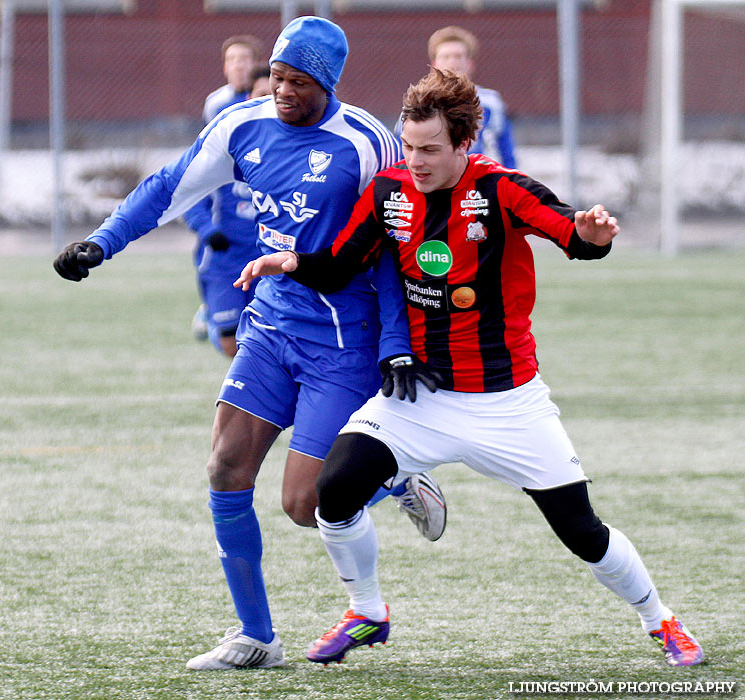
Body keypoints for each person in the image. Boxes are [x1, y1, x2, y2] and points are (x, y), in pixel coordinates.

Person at [235, 68, 704, 668]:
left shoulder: (504, 189)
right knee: (334, 490)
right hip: (422, 398)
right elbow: (341, 265)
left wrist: (593, 235)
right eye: (409, 146)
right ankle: (367, 612)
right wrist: (290, 261)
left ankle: (660, 620)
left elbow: (571, 232)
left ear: (464, 144)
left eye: (430, 149)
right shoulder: (388, 191)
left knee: (581, 529)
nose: (416, 161)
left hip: (509, 403)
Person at [53, 16, 445, 671]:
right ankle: (256, 636)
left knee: (305, 504)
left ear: (328, 82)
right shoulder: (243, 124)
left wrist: (396, 345)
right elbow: (168, 188)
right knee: (225, 467)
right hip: (268, 327)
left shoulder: (367, 144)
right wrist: (102, 242)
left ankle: (394, 476)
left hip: (342, 344)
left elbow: (394, 254)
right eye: (279, 77)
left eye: (300, 82)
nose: (284, 91)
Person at [186, 35, 265, 355]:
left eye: (244, 58)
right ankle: (210, 308)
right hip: (225, 258)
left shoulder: (286, 147)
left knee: (262, 339)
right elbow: (191, 197)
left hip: (266, 257)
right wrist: (210, 232)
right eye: (232, 59)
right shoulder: (219, 119)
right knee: (232, 342)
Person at [396, 25, 516, 168]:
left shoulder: (490, 103)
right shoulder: (416, 102)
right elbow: (400, 150)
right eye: (446, 56)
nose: (452, 62)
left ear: (470, 63)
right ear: (434, 64)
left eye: (458, 56)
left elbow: (506, 151)